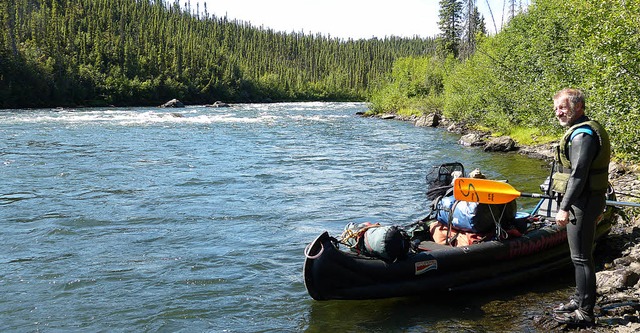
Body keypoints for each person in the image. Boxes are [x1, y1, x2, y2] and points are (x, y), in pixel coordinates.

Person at [550, 88, 611, 326]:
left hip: (582, 202)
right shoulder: (584, 130)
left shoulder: (582, 136)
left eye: (563, 107)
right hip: (587, 200)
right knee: (579, 257)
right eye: (556, 108)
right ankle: (579, 299)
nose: (558, 113)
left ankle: (585, 312)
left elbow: (578, 175)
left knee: (582, 258)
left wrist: (564, 207)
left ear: (578, 107)